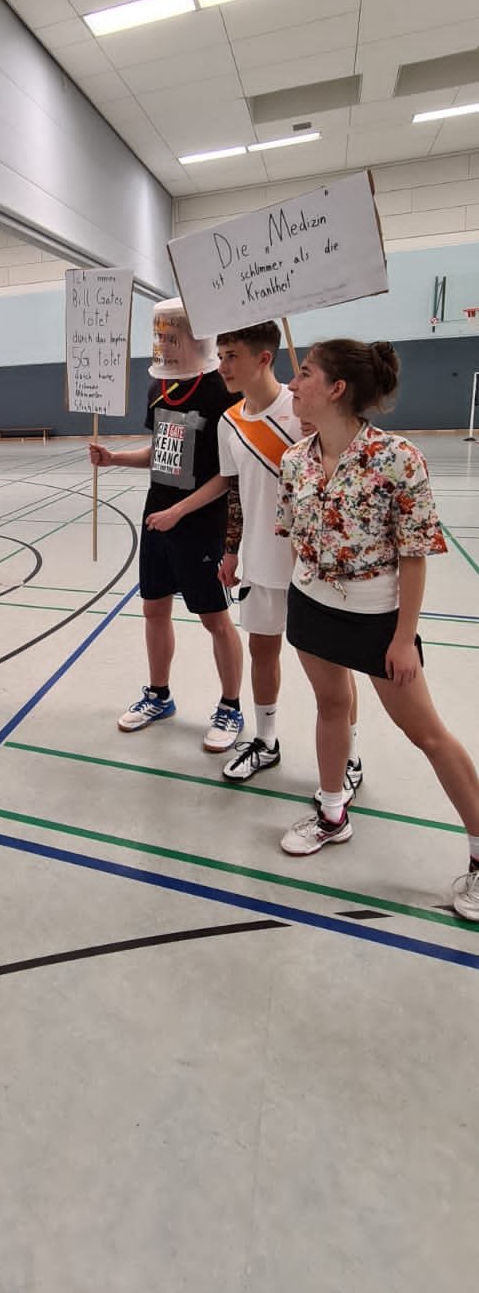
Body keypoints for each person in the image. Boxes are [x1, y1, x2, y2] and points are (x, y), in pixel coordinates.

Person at [274, 338, 479, 922]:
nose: (293, 385)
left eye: (304, 374)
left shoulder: (398, 458)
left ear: (337, 389)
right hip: (310, 606)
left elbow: (414, 555)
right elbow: (291, 535)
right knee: (331, 706)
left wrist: (403, 638)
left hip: (378, 620)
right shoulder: (295, 460)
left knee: (428, 734)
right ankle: (331, 813)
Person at [216, 322, 363, 803]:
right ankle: (266, 740)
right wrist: (232, 550)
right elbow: (235, 494)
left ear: (264, 358)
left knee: (333, 670)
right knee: (262, 651)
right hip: (259, 561)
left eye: (232, 355)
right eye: (220, 356)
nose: (223, 366)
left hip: (312, 566)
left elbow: (350, 468)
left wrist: (324, 432)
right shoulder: (228, 422)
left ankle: (349, 758)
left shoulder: (305, 408)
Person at [89, 301, 244, 752]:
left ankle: (231, 706)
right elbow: (160, 453)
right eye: (160, 336)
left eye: (171, 336)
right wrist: (115, 458)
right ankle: (159, 696)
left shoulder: (221, 391)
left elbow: (227, 475)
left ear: (196, 338)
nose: (163, 344)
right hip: (157, 515)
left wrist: (180, 512)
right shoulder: (158, 388)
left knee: (214, 618)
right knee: (154, 609)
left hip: (202, 523)